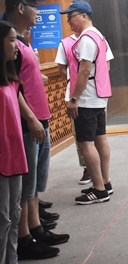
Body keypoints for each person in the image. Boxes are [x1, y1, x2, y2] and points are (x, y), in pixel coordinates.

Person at [3, 0, 69, 260]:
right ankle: (25, 238)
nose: (38, 13)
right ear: (20, 8)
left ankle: (35, 228)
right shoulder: (11, 44)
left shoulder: (22, 41)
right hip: (26, 120)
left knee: (32, 183)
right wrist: (30, 117)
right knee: (25, 185)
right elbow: (12, 85)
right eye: (34, 7)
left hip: (38, 117)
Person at [0, 20, 45, 264]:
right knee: (2, 217)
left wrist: (31, 119)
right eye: (10, 40)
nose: (16, 45)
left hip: (15, 154)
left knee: (14, 213)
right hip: (2, 156)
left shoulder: (9, 77)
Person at [60, 0, 115, 204]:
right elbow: (106, 66)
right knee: (100, 139)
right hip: (99, 96)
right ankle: (105, 183)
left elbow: (84, 70)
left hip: (86, 98)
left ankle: (99, 190)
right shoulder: (99, 35)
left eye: (71, 17)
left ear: (84, 16)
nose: (69, 21)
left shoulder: (86, 38)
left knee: (86, 143)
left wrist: (73, 98)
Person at [55, 31, 91, 183]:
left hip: (95, 95)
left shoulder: (95, 38)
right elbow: (61, 69)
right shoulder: (65, 43)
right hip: (74, 96)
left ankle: (100, 169)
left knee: (98, 134)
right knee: (79, 134)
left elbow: (106, 64)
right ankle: (87, 168)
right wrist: (74, 82)